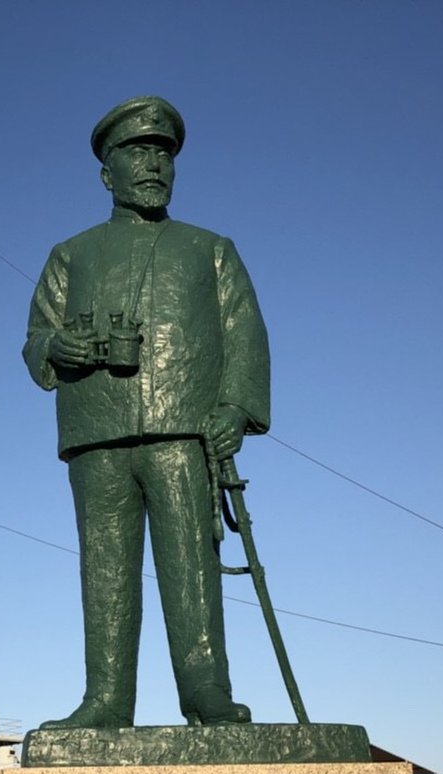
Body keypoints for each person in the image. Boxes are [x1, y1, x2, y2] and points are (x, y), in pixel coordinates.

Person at [23, 95, 271, 729]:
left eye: (163, 154)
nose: (154, 165)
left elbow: (245, 333)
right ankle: (106, 700)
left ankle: (206, 692)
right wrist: (57, 345)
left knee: (192, 565)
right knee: (105, 572)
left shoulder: (210, 248)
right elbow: (35, 340)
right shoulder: (70, 254)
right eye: (138, 153)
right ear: (108, 173)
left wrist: (235, 407)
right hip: (96, 432)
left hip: (182, 432)